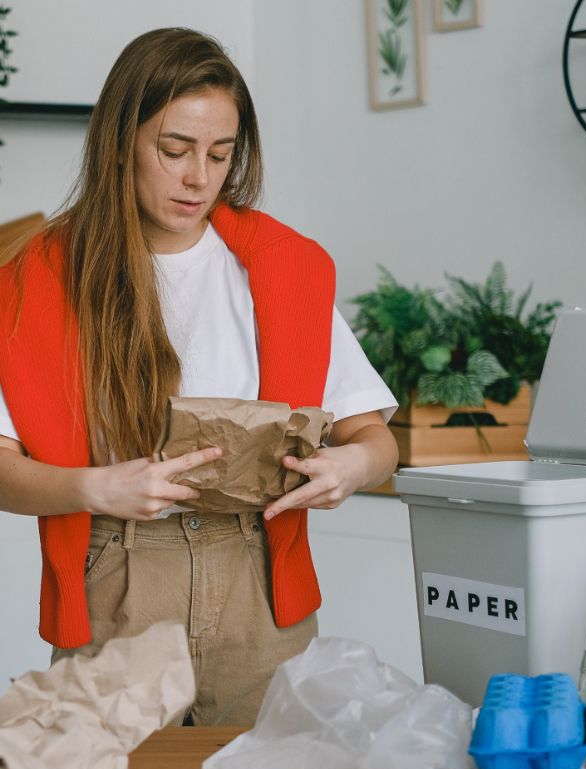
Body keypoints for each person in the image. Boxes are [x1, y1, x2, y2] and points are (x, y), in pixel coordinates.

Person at [0, 28, 399, 726]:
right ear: (121, 141)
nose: (198, 178)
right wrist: (95, 486)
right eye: (174, 150)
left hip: (257, 580)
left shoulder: (284, 268)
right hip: (115, 576)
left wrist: (353, 466)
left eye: (220, 154)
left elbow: (372, 433)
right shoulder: (33, 280)